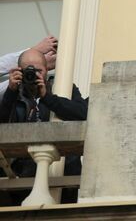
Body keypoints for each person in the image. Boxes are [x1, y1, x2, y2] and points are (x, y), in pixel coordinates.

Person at [0, 47, 88, 206]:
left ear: (47, 70)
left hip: (62, 170)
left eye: (38, 70)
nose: (33, 75)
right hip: (21, 175)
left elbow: (83, 113)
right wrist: (10, 92)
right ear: (18, 70)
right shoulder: (13, 92)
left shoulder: (63, 87)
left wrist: (48, 97)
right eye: (28, 70)